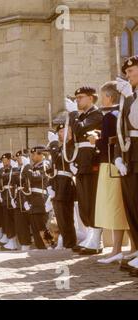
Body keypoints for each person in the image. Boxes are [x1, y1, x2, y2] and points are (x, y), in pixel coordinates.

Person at [90, 81, 131, 264]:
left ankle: (116, 249)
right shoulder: (119, 113)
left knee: (114, 208)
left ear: (109, 97)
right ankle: (127, 248)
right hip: (118, 163)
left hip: (110, 164)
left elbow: (107, 142)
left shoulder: (109, 116)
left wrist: (95, 141)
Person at [67, 86, 104, 255]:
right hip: (81, 163)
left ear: (91, 98)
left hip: (91, 164)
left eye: (80, 97)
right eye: (76, 98)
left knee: (91, 200)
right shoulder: (81, 116)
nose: (77, 101)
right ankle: (91, 236)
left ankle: (97, 239)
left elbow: (80, 129)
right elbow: (72, 140)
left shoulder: (96, 114)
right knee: (84, 202)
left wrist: (73, 114)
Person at [115, 56, 138, 277]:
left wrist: (130, 98)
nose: (128, 75)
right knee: (132, 207)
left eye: (132, 71)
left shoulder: (131, 96)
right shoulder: (128, 96)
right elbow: (120, 128)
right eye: (127, 72)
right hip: (129, 157)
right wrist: (117, 157)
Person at [48, 124, 77, 250]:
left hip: (65, 184)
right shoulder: (61, 147)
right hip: (58, 184)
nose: (59, 134)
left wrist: (53, 144)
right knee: (60, 217)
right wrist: (50, 185)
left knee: (66, 217)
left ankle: (70, 242)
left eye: (61, 131)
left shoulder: (70, 145)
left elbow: (59, 159)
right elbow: (53, 167)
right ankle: (67, 242)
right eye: (58, 132)